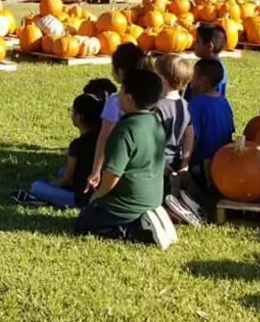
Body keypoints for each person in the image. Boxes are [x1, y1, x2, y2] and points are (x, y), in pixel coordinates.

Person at [74, 68, 177, 248]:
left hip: (127, 205)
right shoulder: (156, 123)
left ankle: (137, 230)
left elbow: (112, 175)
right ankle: (148, 219)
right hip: (153, 199)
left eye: (121, 90)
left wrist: (98, 195)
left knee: (84, 222)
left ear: (129, 99)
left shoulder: (124, 130)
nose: (117, 94)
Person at [11, 93, 102, 208]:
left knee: (36, 186)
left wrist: (51, 184)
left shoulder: (77, 145)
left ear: (79, 116)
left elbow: (67, 181)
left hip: (79, 198)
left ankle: (46, 198)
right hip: (98, 193)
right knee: (62, 170)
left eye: (72, 111)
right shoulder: (101, 139)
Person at [152, 54, 206, 226]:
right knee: (171, 186)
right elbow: (190, 132)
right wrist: (185, 160)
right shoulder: (184, 105)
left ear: (161, 78)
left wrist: (160, 161)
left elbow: (154, 138)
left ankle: (171, 209)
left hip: (159, 160)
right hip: (176, 158)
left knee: (158, 195)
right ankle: (182, 200)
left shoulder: (157, 107)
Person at [86, 43, 148, 193]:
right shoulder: (150, 96)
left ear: (119, 72)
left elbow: (104, 138)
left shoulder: (115, 101)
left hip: (116, 167)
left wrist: (96, 170)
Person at [187, 58, 236, 189]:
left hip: (203, 162)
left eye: (193, 76)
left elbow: (193, 138)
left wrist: (185, 162)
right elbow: (230, 132)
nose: (190, 80)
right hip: (223, 161)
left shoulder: (196, 104)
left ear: (202, 81)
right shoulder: (224, 102)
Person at [184, 23, 228, 101]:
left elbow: (212, 100)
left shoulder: (216, 72)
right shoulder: (201, 65)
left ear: (209, 46)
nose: (194, 43)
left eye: (197, 41)